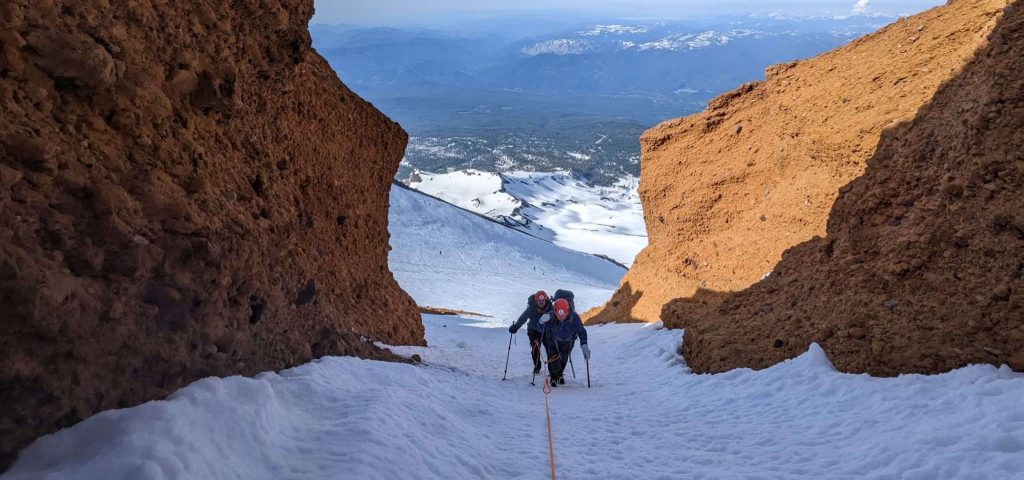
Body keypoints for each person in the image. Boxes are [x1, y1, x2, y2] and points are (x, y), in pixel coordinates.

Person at [542, 289, 589, 387]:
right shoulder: (550, 316)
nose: (561, 317)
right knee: (553, 361)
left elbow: (581, 331)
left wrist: (584, 345)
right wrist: (541, 321)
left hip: (568, 341)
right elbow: (543, 328)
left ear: (567, 311)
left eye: (563, 315)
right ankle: (554, 376)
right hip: (553, 341)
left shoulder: (574, 317)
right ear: (555, 311)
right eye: (559, 315)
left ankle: (559, 375)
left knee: (564, 359)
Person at [508, 290, 551, 374]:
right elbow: (523, 317)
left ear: (545, 300)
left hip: (546, 331)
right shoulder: (531, 308)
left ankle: (552, 369)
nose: (541, 302)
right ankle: (537, 367)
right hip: (533, 331)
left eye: (543, 300)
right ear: (536, 301)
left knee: (550, 350)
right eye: (539, 300)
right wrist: (516, 326)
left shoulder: (550, 308)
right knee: (535, 349)